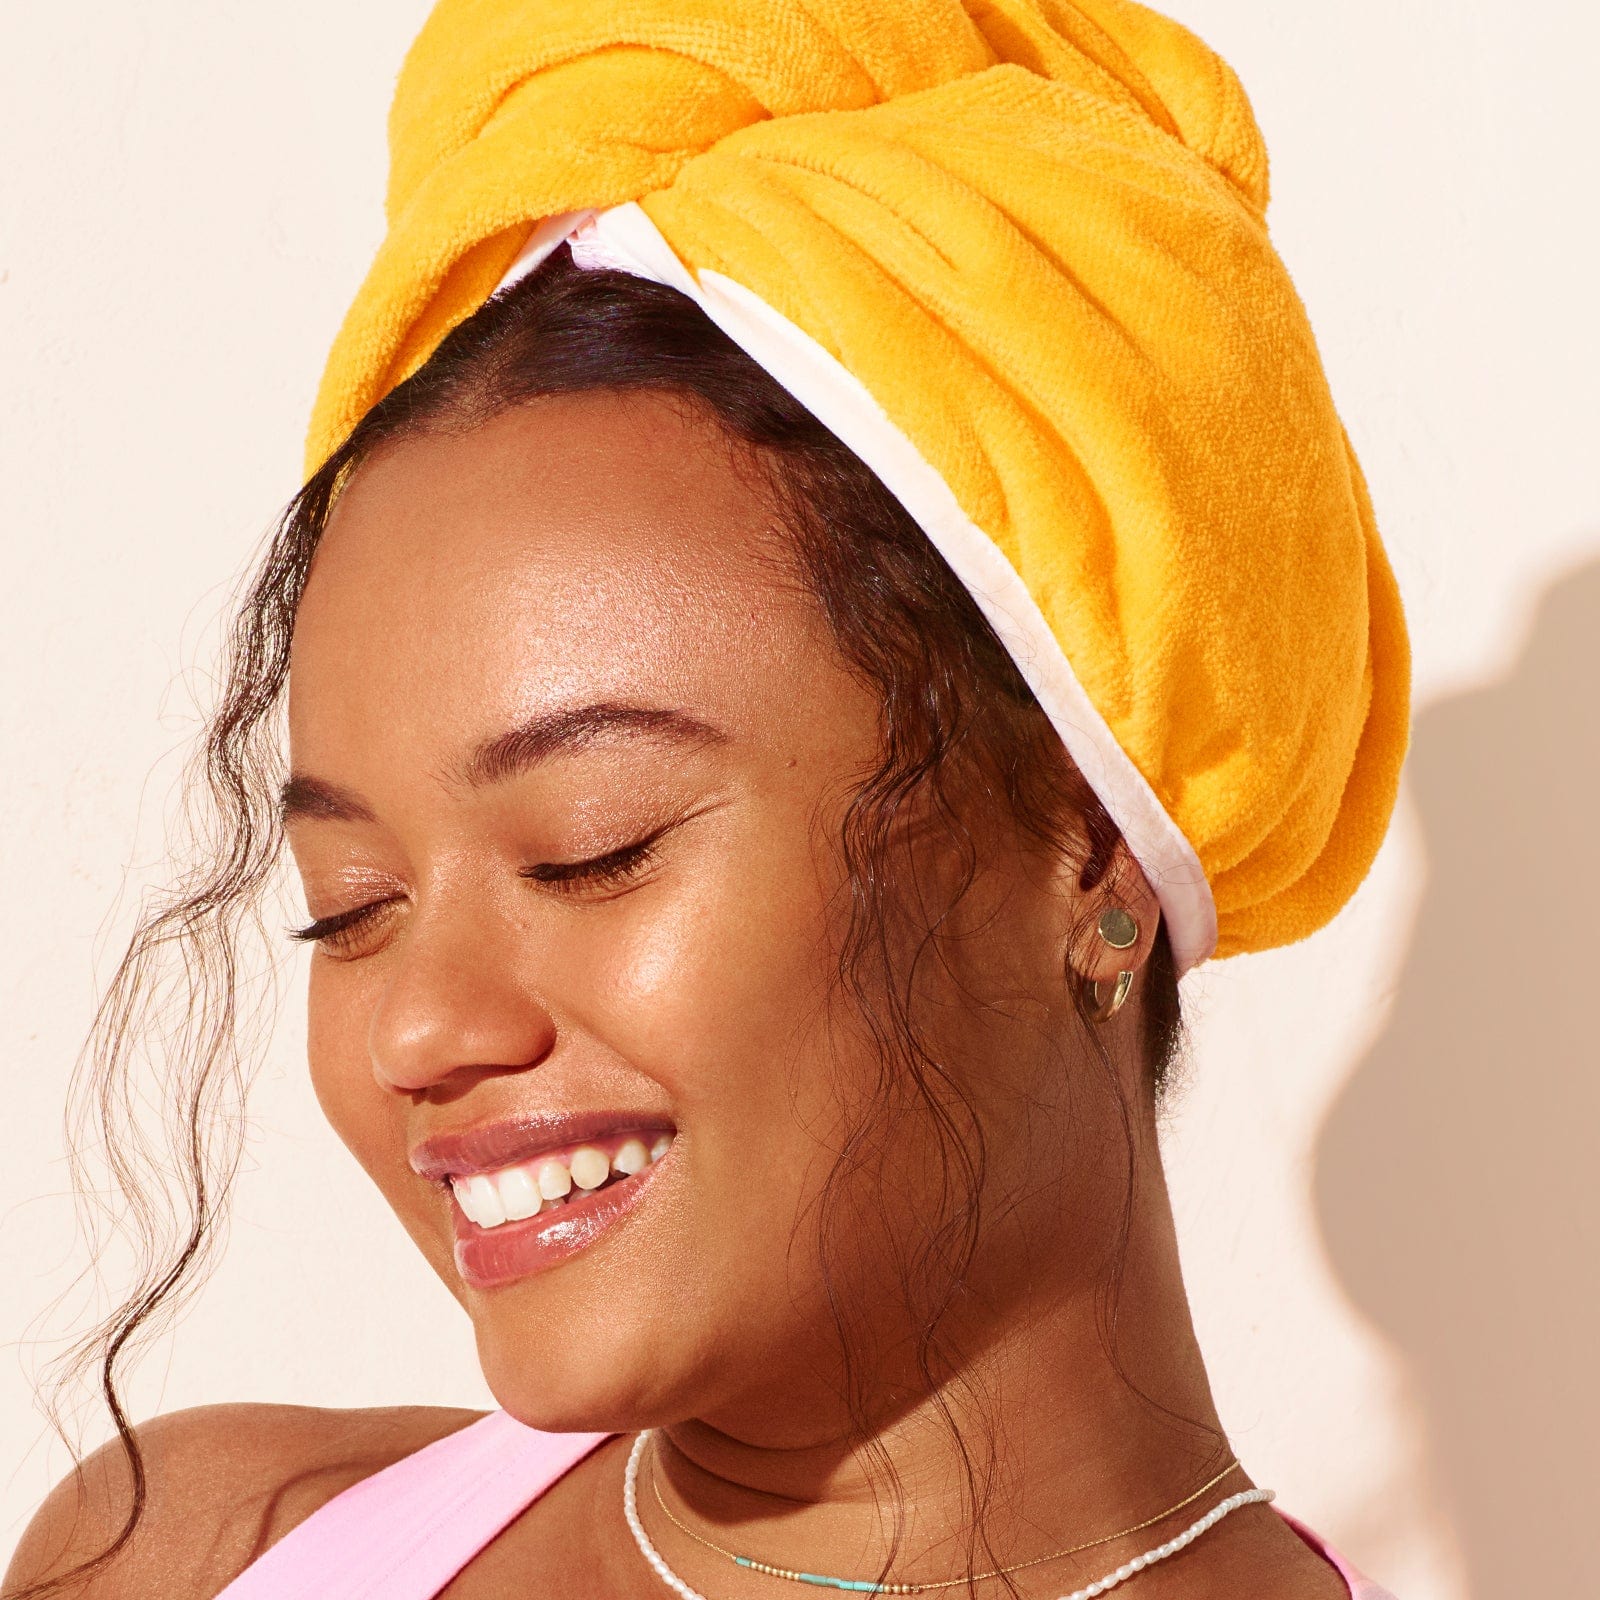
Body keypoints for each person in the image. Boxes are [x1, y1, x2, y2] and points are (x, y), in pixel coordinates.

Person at [4, 2, 1411, 1597]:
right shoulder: (187, 1549)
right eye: (353, 907)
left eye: (588, 850)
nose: (418, 1031)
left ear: (1089, 852)